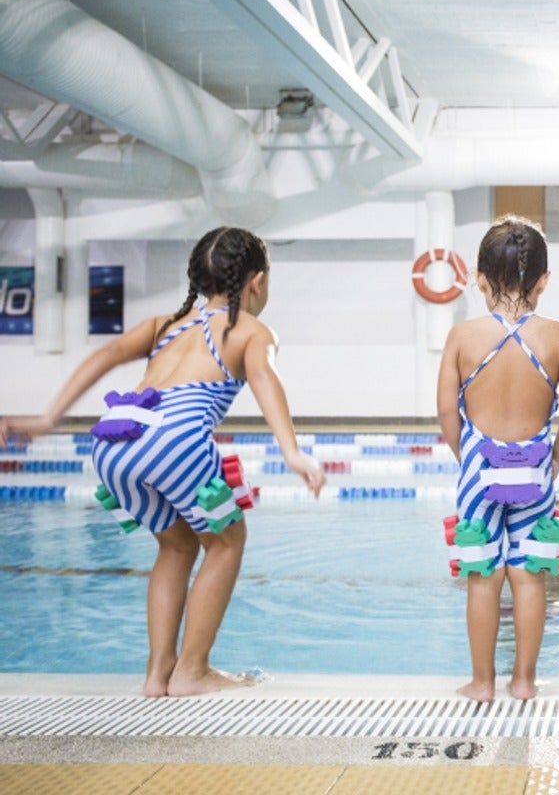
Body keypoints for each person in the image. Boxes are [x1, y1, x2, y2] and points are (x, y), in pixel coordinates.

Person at [0, 226, 325, 697]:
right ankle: (193, 671)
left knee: (175, 547)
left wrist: (50, 416)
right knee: (226, 543)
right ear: (257, 281)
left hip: (116, 441)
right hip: (173, 442)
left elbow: (106, 356)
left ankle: (157, 674)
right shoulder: (249, 329)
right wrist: (292, 452)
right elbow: (265, 379)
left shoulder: (164, 325)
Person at [437, 215, 559, 703]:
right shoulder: (558, 335)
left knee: (483, 577)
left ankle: (482, 684)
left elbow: (444, 407)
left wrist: (468, 456)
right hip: (536, 468)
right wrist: (555, 459)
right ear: (543, 280)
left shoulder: (462, 336)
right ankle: (524, 681)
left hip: (479, 467)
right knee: (529, 578)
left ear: (479, 279)